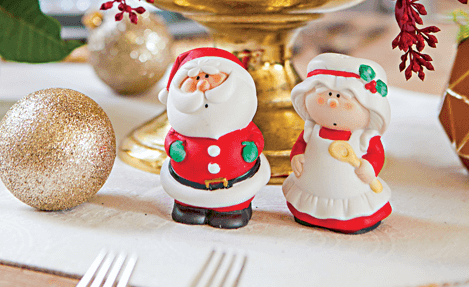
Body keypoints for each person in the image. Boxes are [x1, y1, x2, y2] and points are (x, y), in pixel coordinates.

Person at [159, 46, 271, 228]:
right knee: (188, 206)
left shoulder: (243, 125)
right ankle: (188, 209)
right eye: (195, 78)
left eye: (208, 76)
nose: (203, 84)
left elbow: (255, 136)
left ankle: (232, 210)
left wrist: (253, 147)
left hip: (235, 184)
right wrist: (174, 148)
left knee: (232, 206)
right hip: (187, 185)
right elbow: (171, 139)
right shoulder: (179, 129)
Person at [282, 52, 392, 234]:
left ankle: (350, 220)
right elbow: (301, 145)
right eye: (325, 96)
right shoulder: (312, 130)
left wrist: (370, 167)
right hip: (312, 185)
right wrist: (297, 156)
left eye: (342, 99)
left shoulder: (363, 138)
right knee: (308, 203)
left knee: (352, 208)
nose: (332, 102)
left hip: (349, 191)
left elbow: (376, 154)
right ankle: (308, 215)